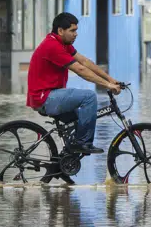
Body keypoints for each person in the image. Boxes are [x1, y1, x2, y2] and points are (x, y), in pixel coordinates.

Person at [26, 12, 121, 155]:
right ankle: (82, 143)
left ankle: (67, 156)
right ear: (60, 31)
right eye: (72, 30)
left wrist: (110, 79)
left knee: (82, 117)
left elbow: (85, 61)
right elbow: (80, 69)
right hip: (45, 97)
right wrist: (106, 85)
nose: (76, 34)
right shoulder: (52, 46)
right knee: (89, 97)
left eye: (76, 30)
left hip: (50, 95)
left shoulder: (63, 43)